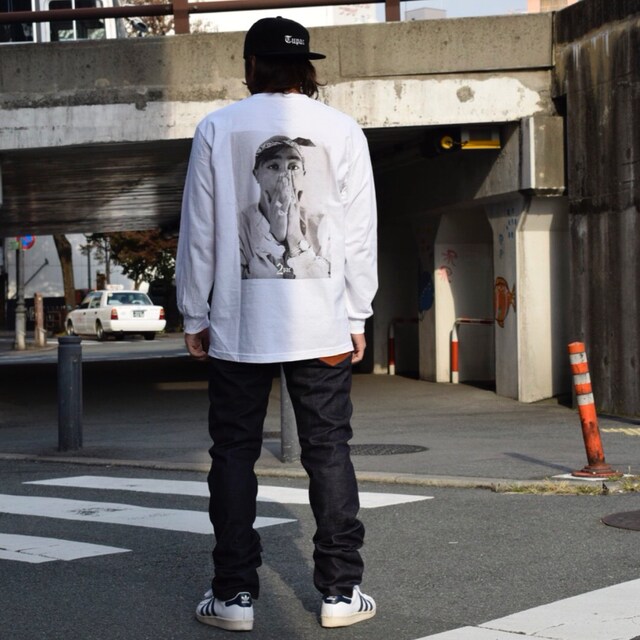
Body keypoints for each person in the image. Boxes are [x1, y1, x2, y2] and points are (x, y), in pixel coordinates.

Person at [176, 15, 378, 632]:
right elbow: (360, 233)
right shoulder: (343, 130)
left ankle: (234, 596)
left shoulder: (217, 128)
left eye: (294, 168)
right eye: (275, 168)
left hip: (238, 326)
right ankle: (340, 592)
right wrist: (356, 311)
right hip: (322, 326)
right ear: (305, 69)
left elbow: (199, 229)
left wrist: (195, 310)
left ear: (250, 66)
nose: (287, 176)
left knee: (234, 453)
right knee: (329, 450)